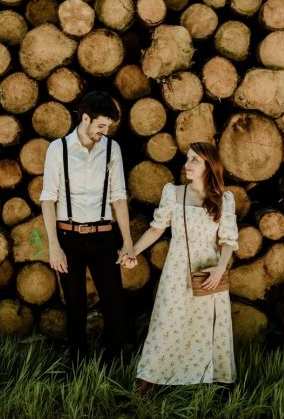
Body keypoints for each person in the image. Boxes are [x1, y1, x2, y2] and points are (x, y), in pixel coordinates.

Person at [119, 142, 238, 386]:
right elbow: (156, 230)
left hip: (207, 271)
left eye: (195, 160)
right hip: (177, 269)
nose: (187, 165)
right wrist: (132, 252)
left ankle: (206, 379)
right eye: (187, 159)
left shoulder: (224, 199)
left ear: (209, 165)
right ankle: (148, 380)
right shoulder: (173, 193)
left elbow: (228, 241)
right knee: (166, 322)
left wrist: (220, 268)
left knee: (204, 326)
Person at [40, 90, 135, 365]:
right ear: (85, 118)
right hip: (68, 238)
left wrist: (127, 241)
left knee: (115, 307)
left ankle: (110, 365)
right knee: (76, 308)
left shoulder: (111, 148)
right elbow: (48, 200)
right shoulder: (58, 149)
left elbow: (118, 196)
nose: (104, 132)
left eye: (108, 127)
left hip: (104, 237)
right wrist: (54, 247)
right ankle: (78, 369)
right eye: (101, 126)